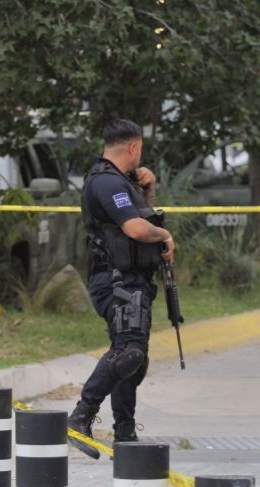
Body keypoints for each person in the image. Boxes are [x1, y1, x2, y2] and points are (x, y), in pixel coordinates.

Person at [67, 119, 176, 459]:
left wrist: (148, 187)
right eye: (139, 150)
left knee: (134, 357)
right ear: (132, 147)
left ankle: (125, 432)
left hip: (133, 280)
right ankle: (80, 418)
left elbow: (144, 214)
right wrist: (166, 237)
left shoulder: (122, 183)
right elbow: (135, 228)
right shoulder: (105, 182)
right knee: (129, 352)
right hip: (117, 281)